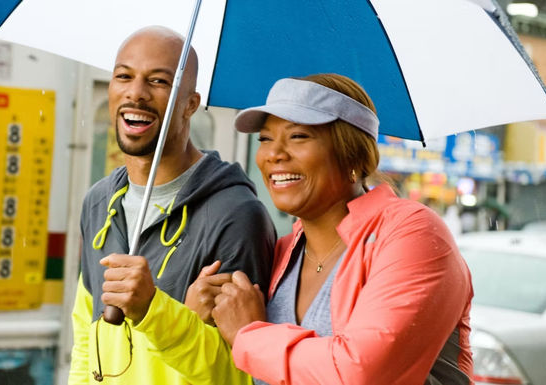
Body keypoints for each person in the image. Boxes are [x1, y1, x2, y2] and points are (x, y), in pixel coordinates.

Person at [187, 74, 474, 384]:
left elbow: (361, 373)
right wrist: (192, 323)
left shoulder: (413, 233)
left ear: (353, 154)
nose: (274, 154)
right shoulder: (283, 252)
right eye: (266, 138)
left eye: (298, 136)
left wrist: (248, 334)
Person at [69, 26, 276, 385]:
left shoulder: (235, 215)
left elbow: (240, 374)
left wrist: (153, 308)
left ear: (191, 104)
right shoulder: (99, 202)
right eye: (123, 76)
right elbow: (86, 340)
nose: (136, 93)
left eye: (159, 81)